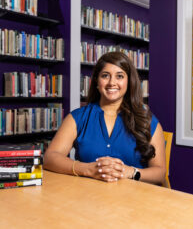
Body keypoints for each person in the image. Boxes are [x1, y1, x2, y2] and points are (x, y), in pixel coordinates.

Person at [44, 52, 166, 185]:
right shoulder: (78, 117)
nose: (112, 82)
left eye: (119, 76)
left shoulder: (146, 120)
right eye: (105, 76)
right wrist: (87, 169)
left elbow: (160, 173)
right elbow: (50, 157)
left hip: (134, 199)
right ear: (97, 81)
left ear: (129, 82)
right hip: (88, 197)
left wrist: (130, 172)